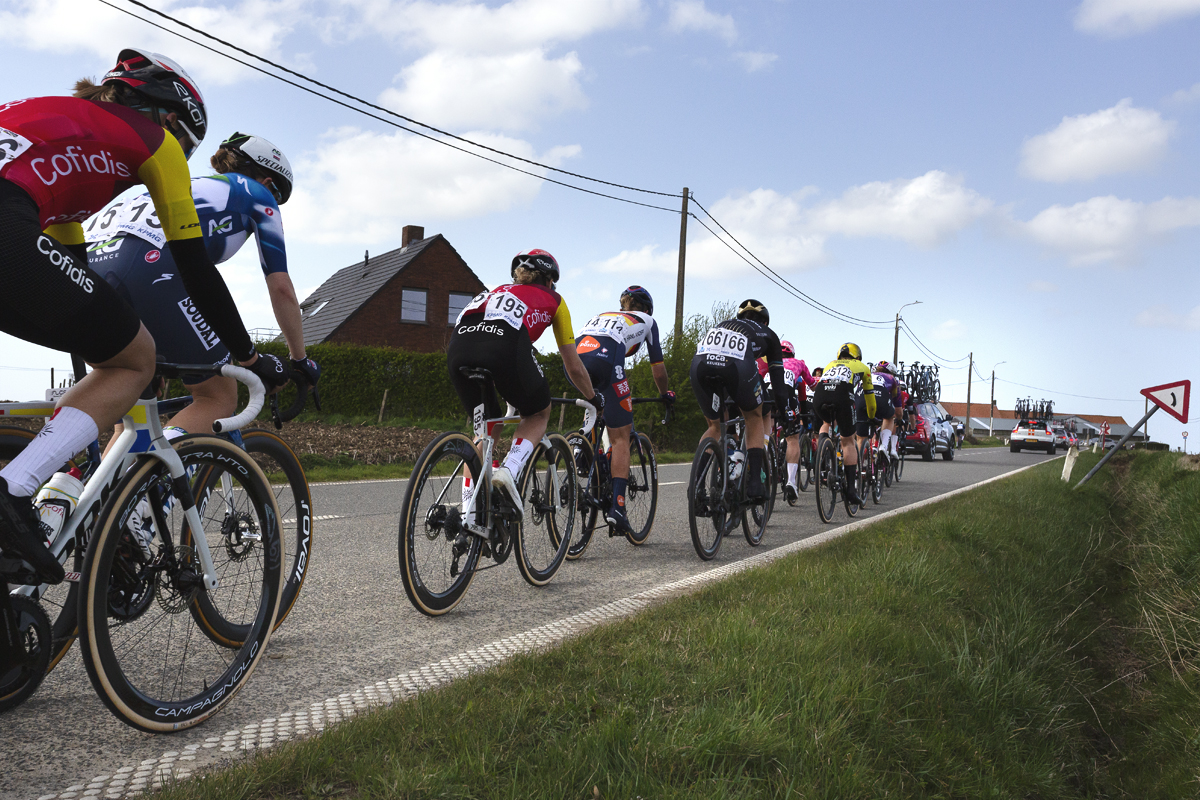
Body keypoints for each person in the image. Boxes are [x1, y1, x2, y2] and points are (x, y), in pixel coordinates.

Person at [0, 49, 289, 585]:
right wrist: (249, 355)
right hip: (11, 225)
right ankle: (14, 489)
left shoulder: (62, 122)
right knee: (136, 361)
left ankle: (62, 487)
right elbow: (195, 268)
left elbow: (75, 266)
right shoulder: (157, 144)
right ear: (173, 119)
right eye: (188, 146)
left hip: (41, 232)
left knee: (110, 363)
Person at [88, 132, 318, 441]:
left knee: (132, 417)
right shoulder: (256, 193)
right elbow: (281, 288)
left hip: (86, 273)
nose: (274, 200)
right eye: (277, 192)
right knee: (218, 396)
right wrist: (300, 359)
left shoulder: (185, 184)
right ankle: (160, 466)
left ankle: (99, 485)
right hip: (151, 273)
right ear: (265, 179)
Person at [447, 249, 601, 514]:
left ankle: (467, 512)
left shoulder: (494, 291)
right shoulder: (555, 299)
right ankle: (508, 470)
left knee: (487, 426)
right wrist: (592, 397)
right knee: (539, 413)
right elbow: (573, 365)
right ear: (549, 279)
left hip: (459, 347)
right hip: (505, 345)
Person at [573, 286, 674, 533]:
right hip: (606, 361)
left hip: (575, 359)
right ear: (648, 309)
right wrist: (664, 394)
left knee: (597, 403)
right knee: (620, 436)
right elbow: (658, 369)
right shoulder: (648, 320)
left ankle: (582, 451)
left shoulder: (604, 315)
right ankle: (618, 507)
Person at [689, 299, 796, 501]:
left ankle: (695, 487)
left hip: (700, 365)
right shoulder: (769, 335)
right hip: (736, 366)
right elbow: (779, 388)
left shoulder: (722, 325)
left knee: (715, 426)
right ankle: (755, 483)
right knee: (754, 417)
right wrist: (785, 413)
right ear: (765, 322)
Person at [813, 343, 875, 506]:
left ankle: (823, 452)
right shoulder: (862, 367)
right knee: (848, 441)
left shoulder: (830, 364)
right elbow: (870, 399)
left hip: (819, 395)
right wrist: (872, 416)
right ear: (858, 356)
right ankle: (851, 491)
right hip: (842, 395)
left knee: (827, 421)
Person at [758, 340, 816, 502]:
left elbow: (760, 379)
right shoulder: (799, 364)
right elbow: (810, 385)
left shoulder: (769, 362)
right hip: (787, 397)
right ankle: (791, 481)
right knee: (792, 439)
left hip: (767, 395)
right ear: (792, 353)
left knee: (765, 429)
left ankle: (762, 460)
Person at [855, 360, 898, 463]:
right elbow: (898, 406)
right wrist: (899, 419)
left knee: (861, 438)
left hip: (861, 399)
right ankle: (883, 445)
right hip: (880, 399)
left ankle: (857, 468)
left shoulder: (868, 375)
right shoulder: (892, 379)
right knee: (890, 417)